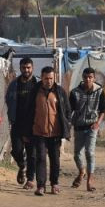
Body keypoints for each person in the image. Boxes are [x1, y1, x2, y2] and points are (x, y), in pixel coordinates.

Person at [31, 66, 70, 196]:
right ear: (41, 78)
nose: (48, 81)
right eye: (46, 78)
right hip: (39, 131)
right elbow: (28, 111)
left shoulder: (60, 92)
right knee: (40, 158)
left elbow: (67, 111)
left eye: (51, 78)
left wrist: (65, 127)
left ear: (55, 78)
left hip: (55, 132)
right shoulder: (35, 91)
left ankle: (54, 184)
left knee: (55, 159)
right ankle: (41, 186)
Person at [68, 68, 105, 192]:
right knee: (77, 155)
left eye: (90, 77)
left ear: (94, 78)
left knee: (89, 153)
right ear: (83, 77)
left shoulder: (99, 91)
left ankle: (90, 180)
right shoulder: (75, 92)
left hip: (92, 127)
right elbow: (69, 111)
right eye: (85, 77)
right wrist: (68, 126)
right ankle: (82, 172)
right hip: (79, 126)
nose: (88, 79)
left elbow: (103, 110)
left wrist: (98, 123)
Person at [4, 57, 39, 188]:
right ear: (20, 68)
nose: (26, 70)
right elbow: (8, 100)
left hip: (33, 124)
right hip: (17, 123)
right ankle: (22, 166)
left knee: (32, 153)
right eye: (24, 68)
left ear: (32, 68)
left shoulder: (37, 84)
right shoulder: (14, 84)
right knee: (17, 150)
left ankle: (30, 179)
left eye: (28, 67)